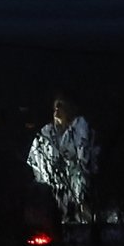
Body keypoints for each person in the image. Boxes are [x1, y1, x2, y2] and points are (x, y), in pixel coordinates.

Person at [27, 92, 99, 223]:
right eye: (55, 106)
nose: (57, 109)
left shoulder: (80, 129)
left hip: (77, 195)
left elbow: (85, 161)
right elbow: (36, 162)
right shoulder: (46, 134)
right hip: (54, 195)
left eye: (61, 105)